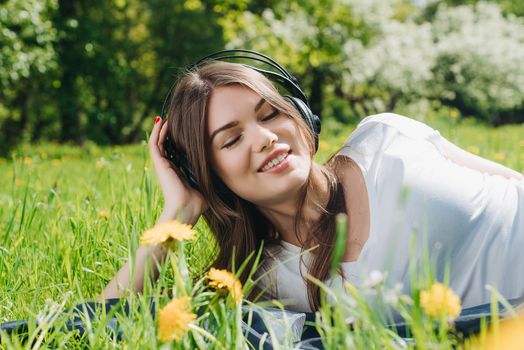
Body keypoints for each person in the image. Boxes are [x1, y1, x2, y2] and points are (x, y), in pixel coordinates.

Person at [101, 58, 524, 314]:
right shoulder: (260, 282)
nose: (265, 137)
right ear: (207, 176)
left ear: (299, 114)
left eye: (270, 115)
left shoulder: (387, 136)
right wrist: (177, 213)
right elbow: (97, 326)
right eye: (231, 139)